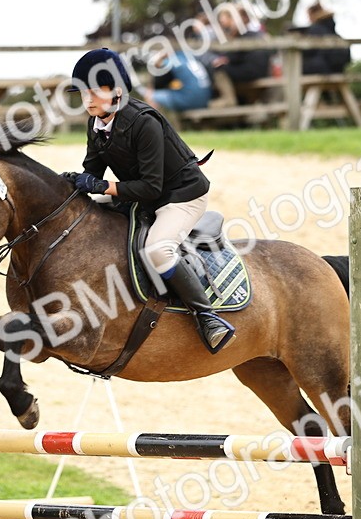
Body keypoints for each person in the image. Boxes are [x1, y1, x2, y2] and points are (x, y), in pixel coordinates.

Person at [63, 48, 235, 354]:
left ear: (117, 91)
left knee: (157, 249)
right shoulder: (96, 123)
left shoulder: (144, 122)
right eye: (83, 94)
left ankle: (207, 317)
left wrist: (102, 186)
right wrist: (70, 183)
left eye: (95, 92)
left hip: (181, 196)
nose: (88, 100)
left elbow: (151, 188)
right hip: (143, 195)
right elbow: (92, 173)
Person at [208, 4, 273, 103]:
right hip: (257, 72)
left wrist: (225, 61)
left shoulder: (247, 36)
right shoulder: (255, 34)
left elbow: (233, 56)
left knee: (220, 69)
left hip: (252, 72)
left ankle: (228, 100)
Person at [146, 47, 213, 114]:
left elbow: (157, 66)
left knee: (150, 95)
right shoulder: (186, 56)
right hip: (205, 100)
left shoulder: (173, 60)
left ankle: (152, 118)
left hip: (191, 100)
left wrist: (159, 58)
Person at [293, 3, 352, 76]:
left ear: (313, 14)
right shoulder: (332, 31)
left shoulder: (316, 29)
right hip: (338, 70)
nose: (308, 19)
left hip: (322, 69)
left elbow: (307, 50)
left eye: (309, 16)